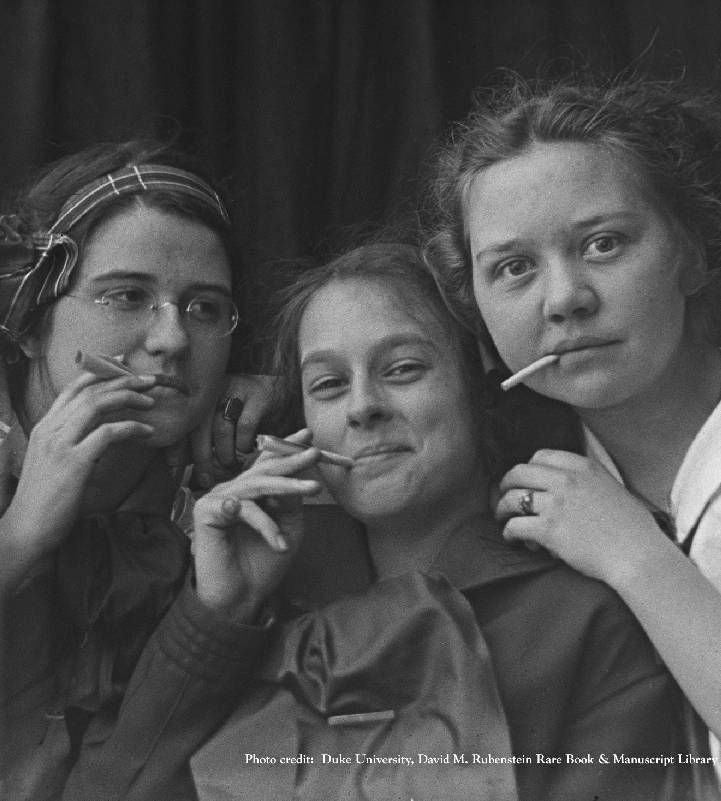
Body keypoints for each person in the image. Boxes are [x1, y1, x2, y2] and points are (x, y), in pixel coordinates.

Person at [190, 243, 697, 801]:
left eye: (403, 369)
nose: (363, 407)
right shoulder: (267, 600)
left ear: (480, 389)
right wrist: (219, 615)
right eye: (329, 385)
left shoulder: (586, 615)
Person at [0, 140, 320, 801]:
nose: (173, 339)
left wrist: (214, 611)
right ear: (27, 325)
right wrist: (19, 537)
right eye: (125, 296)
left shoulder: (228, 495)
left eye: (204, 307)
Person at [423, 73, 721, 771]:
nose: (564, 299)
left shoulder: (601, 522)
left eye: (603, 244)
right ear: (474, 310)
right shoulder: (527, 484)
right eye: (514, 267)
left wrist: (633, 555)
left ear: (690, 254)